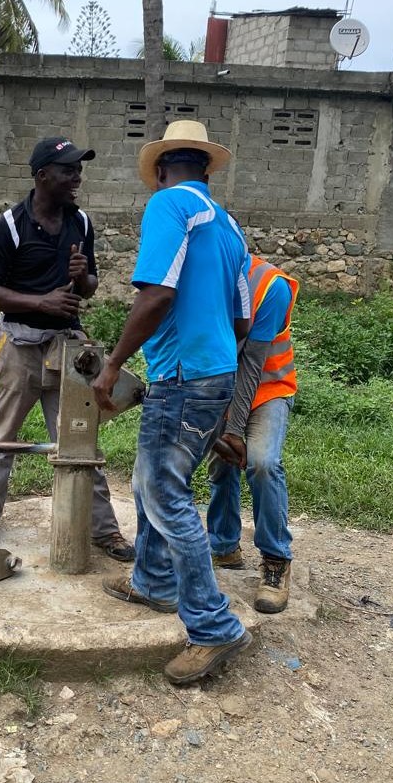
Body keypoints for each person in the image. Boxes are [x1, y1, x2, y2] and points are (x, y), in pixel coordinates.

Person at [92, 120, 253, 685]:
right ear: (206, 169)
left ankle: (213, 625)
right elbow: (242, 320)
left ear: (161, 170)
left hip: (182, 374)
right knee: (151, 481)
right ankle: (153, 580)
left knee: (164, 492)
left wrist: (114, 363)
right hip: (216, 371)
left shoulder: (169, 206)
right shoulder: (231, 227)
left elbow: (158, 292)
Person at [0, 136, 133, 561]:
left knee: (80, 438)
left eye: (78, 170)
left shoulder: (81, 223)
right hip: (18, 345)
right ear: (42, 175)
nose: (77, 178)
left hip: (68, 348)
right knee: (1, 436)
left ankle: (104, 530)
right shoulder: (9, 227)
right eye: (68, 170)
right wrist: (40, 303)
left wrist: (82, 277)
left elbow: (90, 287)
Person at [207, 254, 299, 614]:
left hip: (269, 388)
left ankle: (276, 560)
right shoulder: (201, 274)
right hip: (221, 386)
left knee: (261, 462)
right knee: (220, 463)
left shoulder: (270, 286)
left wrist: (233, 428)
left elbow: (251, 364)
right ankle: (224, 546)